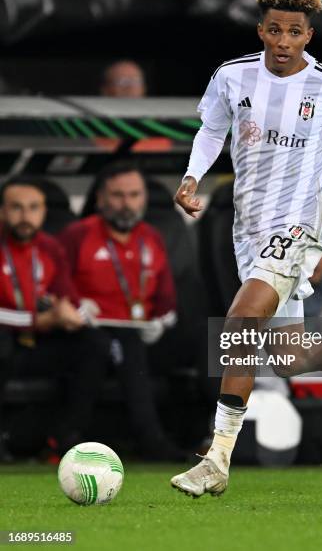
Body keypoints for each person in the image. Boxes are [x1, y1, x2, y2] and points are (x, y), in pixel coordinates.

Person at [170, 0, 322, 497]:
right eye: (273, 30)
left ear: (308, 36)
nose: (282, 41)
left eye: (293, 32)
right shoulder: (232, 77)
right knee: (286, 353)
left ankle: (217, 457)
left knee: (241, 320)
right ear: (261, 30)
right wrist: (191, 177)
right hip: (248, 226)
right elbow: (211, 131)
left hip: (298, 223)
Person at [58, 160, 184, 461]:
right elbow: (56, 281)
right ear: (100, 199)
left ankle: (193, 434)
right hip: (87, 332)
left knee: (149, 345)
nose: (127, 204)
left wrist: (163, 321)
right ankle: (145, 439)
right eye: (118, 195)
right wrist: (75, 305)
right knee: (111, 346)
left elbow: (166, 298)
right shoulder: (78, 234)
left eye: (134, 195)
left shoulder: (152, 237)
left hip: (139, 332)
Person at [0, 177, 107, 462]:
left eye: (33, 208)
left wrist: (78, 314)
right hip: (7, 341)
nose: (26, 217)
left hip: (36, 346)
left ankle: (65, 438)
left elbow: (68, 300)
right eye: (16, 208)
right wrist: (39, 320)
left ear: (44, 211)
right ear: (2, 211)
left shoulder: (49, 247)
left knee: (93, 344)